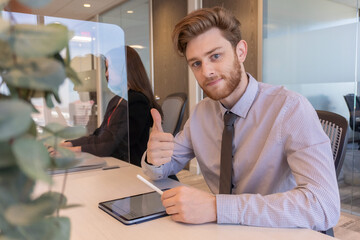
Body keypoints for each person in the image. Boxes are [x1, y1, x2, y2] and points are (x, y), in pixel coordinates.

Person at [141, 7, 340, 231]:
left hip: (277, 232)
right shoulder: (200, 114)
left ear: (241, 51)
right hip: (221, 231)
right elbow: (161, 169)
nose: (206, 72)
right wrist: (154, 158)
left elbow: (324, 205)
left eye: (215, 56)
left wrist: (218, 207)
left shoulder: (290, 108)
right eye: (196, 63)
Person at [62, 46, 162, 167]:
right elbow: (99, 136)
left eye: (109, 67)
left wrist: (74, 150)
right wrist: (69, 144)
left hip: (131, 169)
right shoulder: (117, 100)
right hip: (116, 162)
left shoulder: (137, 101)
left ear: (124, 69)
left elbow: (113, 146)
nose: (106, 73)